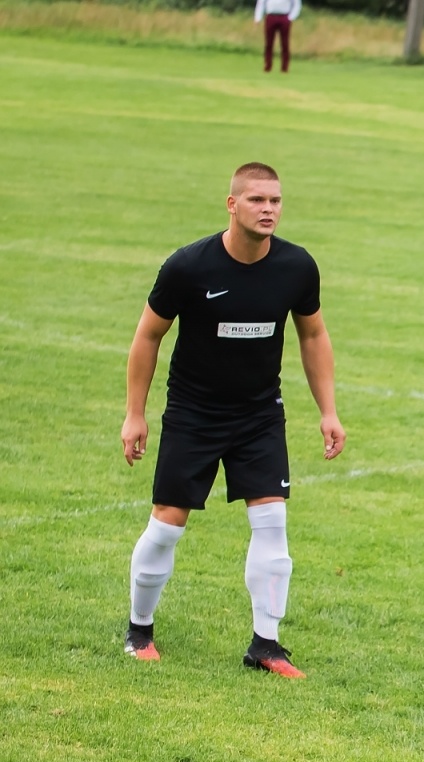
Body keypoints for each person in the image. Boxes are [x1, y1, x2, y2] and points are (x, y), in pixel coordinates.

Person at [119, 162, 345, 678]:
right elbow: (148, 336)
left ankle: (266, 645)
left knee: (273, 524)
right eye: (257, 200)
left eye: (275, 201)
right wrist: (135, 414)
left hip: (259, 415)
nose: (268, 210)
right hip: (193, 415)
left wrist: (328, 411)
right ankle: (139, 630)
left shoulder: (296, 267)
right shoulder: (188, 267)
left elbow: (313, 335)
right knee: (167, 527)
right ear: (232, 204)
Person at [253, 0, 300, 74]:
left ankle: (285, 67)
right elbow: (261, 3)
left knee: (285, 43)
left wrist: (291, 17)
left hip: (284, 16)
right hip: (271, 16)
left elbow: (296, 4)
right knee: (268, 43)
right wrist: (258, 17)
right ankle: (268, 65)